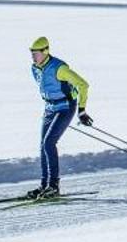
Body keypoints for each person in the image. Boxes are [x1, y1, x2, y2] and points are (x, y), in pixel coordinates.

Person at [27, 35, 91, 199]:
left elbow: (83, 84)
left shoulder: (59, 68)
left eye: (37, 53)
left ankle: (54, 186)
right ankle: (44, 186)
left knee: (49, 143)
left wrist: (82, 111)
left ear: (46, 51)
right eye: (32, 53)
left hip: (65, 107)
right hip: (49, 108)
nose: (34, 56)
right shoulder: (34, 68)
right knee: (43, 145)